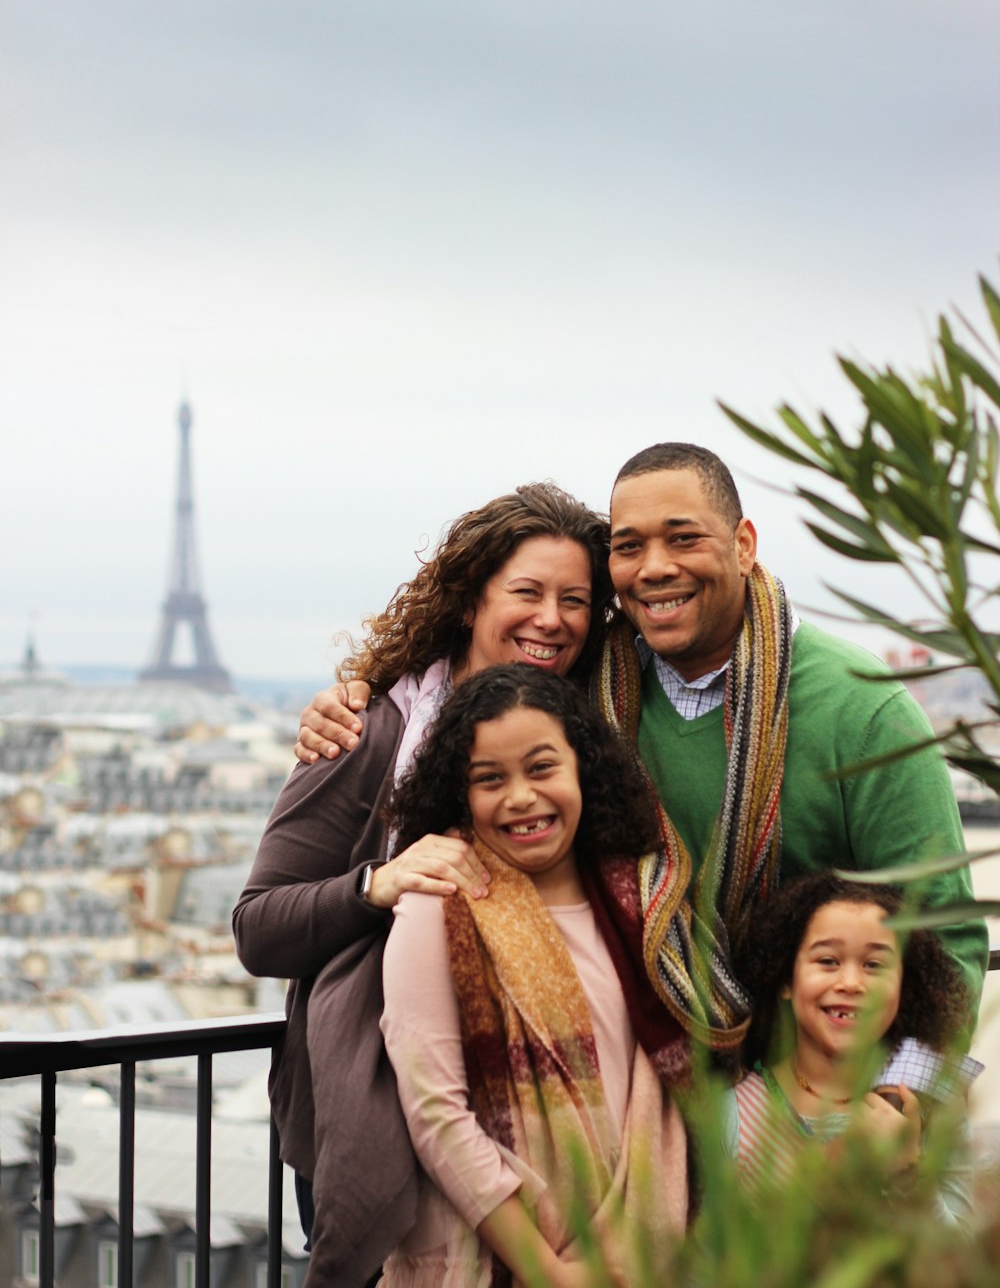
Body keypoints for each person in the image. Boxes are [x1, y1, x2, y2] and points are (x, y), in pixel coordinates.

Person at [296, 443, 987, 1031]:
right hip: (643, 1094)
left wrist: (903, 1101)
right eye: (629, 547)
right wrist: (360, 692)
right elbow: (480, 683)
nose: (654, 567)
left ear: (743, 545)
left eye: (683, 537)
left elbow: (945, 939)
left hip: (816, 1105)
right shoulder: (587, 689)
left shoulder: (863, 708)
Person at [232, 483, 617, 1287]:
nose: (552, 618)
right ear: (471, 597)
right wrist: (378, 882)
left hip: (540, 1124)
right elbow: (259, 927)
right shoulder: (371, 730)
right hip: (385, 1114)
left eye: (576, 600)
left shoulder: (590, 733)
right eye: (528, 592)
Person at [379, 664, 690, 1288]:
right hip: (497, 1263)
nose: (520, 797)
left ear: (584, 768)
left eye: (542, 768)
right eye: (489, 779)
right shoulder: (440, 905)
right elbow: (437, 1113)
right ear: (459, 795)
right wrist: (547, 1272)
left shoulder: (647, 901)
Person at [727, 871, 978, 1225]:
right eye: (827, 960)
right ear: (786, 978)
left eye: (874, 965)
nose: (850, 983)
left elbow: (965, 1268)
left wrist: (907, 1178)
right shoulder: (733, 1113)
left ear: (903, 988)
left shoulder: (933, 1106)